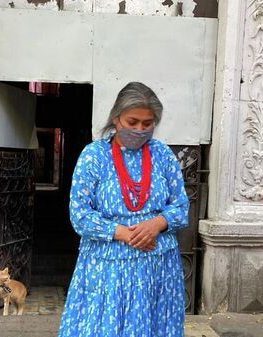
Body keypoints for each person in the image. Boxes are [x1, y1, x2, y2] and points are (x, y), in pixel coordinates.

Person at [58, 82, 189, 337]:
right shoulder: (94, 156)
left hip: (158, 270)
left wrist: (157, 223)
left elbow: (181, 206)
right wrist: (124, 233)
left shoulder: (161, 155)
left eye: (148, 123)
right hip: (107, 269)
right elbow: (80, 214)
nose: (140, 129)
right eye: (133, 121)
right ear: (116, 118)